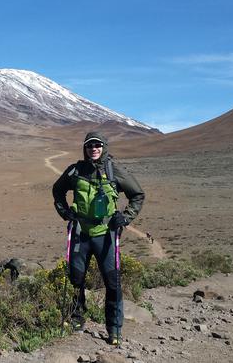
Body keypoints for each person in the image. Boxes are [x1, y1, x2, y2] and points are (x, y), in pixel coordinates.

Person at [52, 132, 145, 345]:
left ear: (104, 147)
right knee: (76, 278)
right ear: (84, 148)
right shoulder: (76, 170)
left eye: (97, 145)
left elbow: (138, 195)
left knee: (112, 282)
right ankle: (76, 319)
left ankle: (114, 329)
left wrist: (125, 217)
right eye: (89, 145)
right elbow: (57, 191)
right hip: (80, 234)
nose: (93, 148)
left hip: (106, 236)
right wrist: (65, 212)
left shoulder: (115, 170)